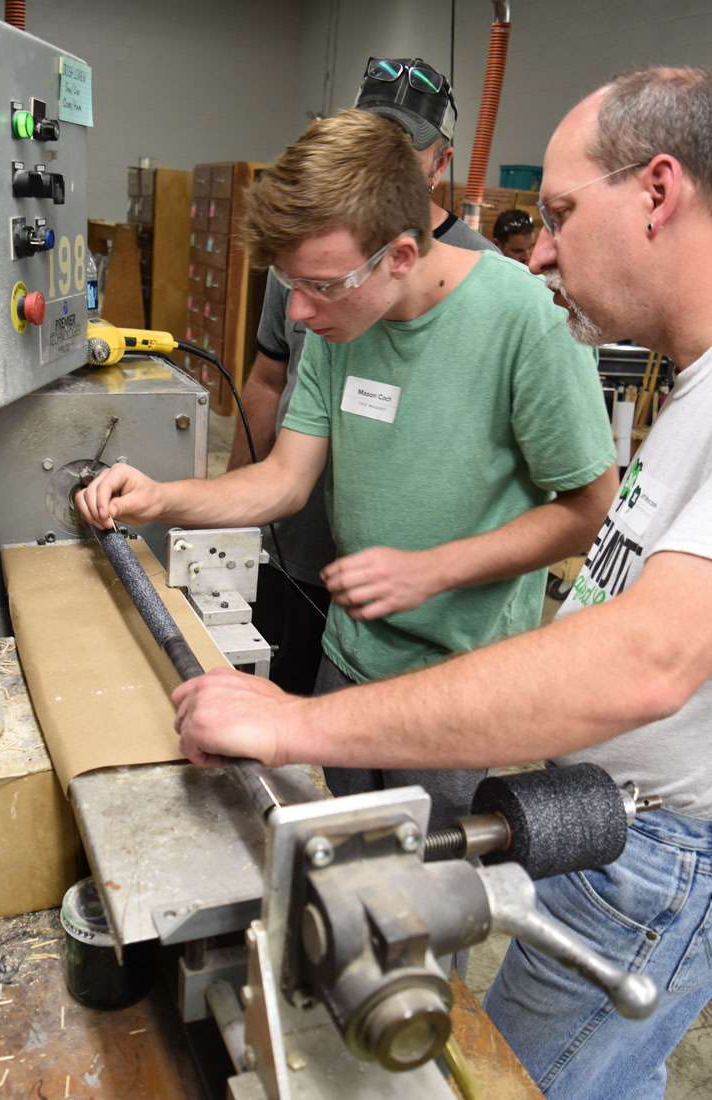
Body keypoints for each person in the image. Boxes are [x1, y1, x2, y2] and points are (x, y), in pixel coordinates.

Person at [159, 67, 712, 1099]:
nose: (537, 248)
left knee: (477, 1055)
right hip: (584, 800)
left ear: (656, 191)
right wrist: (159, 497)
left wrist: (295, 723)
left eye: (555, 213)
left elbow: (646, 653)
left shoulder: (526, 323)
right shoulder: (691, 396)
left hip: (633, 828)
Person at [77, 108, 617, 831]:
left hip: (457, 685)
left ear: (398, 255)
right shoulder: (343, 319)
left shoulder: (527, 321)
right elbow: (285, 480)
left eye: (321, 286)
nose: (298, 313)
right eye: (289, 285)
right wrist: (161, 495)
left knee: (427, 901)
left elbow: (590, 506)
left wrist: (436, 569)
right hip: (347, 658)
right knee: (339, 866)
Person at [229, 56, 500, 697]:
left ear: (441, 162)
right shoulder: (305, 257)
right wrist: (231, 515)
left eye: (407, 146)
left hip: (402, 597)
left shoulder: (489, 285)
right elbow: (269, 381)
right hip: (292, 542)